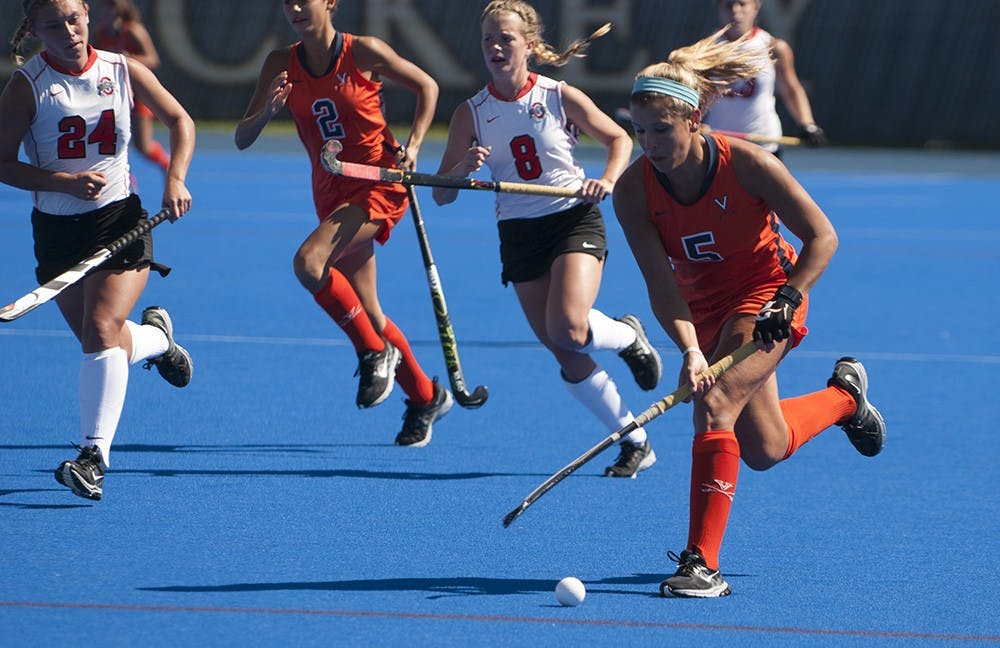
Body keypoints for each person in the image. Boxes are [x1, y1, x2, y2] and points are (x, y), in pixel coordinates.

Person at [613, 31, 885, 596]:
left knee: (714, 405)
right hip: (701, 308)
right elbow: (661, 287)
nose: (650, 145)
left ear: (692, 119)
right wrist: (689, 351)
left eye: (661, 130)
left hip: (765, 295)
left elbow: (822, 237)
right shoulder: (633, 190)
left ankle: (700, 564)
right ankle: (844, 400)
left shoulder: (749, 164)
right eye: (640, 132)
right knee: (763, 447)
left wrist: (788, 297)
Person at [433, 0, 663, 477]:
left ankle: (626, 336)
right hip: (518, 234)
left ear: (530, 46)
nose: (495, 47)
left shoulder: (560, 96)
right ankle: (635, 440)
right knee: (564, 350)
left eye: (506, 39)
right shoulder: (470, 114)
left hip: (571, 219)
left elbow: (620, 139)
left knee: (571, 328)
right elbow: (440, 195)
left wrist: (609, 180)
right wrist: (461, 169)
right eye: (488, 40)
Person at [1, 0, 196, 500]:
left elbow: (180, 120)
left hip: (120, 222)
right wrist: (60, 181)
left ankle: (94, 458)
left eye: (73, 18)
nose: (67, 31)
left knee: (100, 329)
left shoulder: (122, 69)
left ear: (87, 13)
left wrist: (175, 178)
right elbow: (2, 163)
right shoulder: (28, 84)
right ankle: (157, 341)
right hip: (57, 233)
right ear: (35, 28)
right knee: (102, 343)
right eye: (52, 24)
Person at [235, 0, 449, 447]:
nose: (293, 7)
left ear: (329, 2)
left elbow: (427, 86)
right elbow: (242, 137)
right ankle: (426, 397)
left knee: (309, 263)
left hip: (378, 184)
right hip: (331, 195)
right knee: (369, 313)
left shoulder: (364, 52)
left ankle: (372, 352)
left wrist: (412, 145)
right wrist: (267, 112)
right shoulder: (281, 64)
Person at [702, 0, 827, 157]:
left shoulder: (773, 47)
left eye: (742, 4)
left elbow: (791, 89)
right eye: (728, 5)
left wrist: (808, 124)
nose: (735, 10)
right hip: (719, 143)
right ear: (719, 10)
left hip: (763, 143)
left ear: (755, 7)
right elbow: (698, 94)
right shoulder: (706, 49)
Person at [89, 0, 171, 173]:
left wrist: (127, 59)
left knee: (143, 146)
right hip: (113, 94)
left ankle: (166, 164)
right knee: (109, 142)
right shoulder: (100, 33)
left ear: (116, 9)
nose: (101, 11)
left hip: (138, 93)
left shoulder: (133, 31)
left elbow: (153, 59)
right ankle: (121, 179)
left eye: (106, 7)